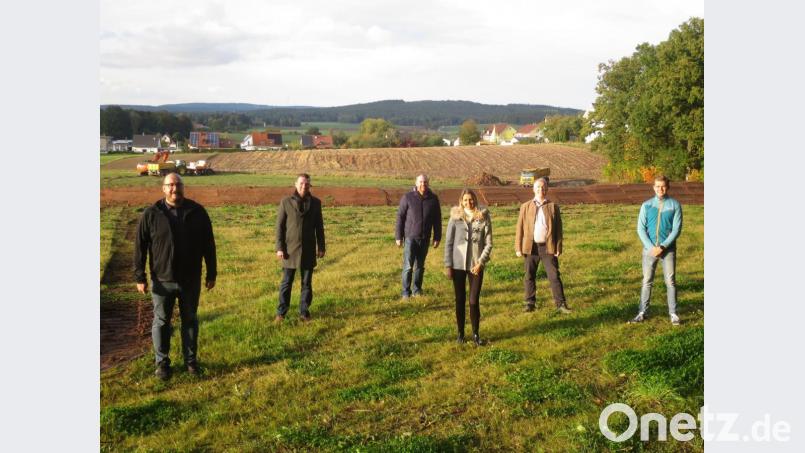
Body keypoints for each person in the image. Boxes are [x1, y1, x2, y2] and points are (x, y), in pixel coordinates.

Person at [134, 173, 217, 380]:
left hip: (190, 279)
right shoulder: (152, 214)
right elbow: (140, 246)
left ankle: (191, 362)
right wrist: (140, 277)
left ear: (183, 187)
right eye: (170, 185)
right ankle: (162, 364)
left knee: (190, 320)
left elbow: (209, 244)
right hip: (162, 280)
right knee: (161, 322)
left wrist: (211, 273)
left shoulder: (197, 212)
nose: (174, 188)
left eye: (178, 184)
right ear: (163, 188)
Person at [629, 175, 683, 325]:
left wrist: (663, 246)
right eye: (658, 186)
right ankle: (642, 312)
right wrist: (651, 247)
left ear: (668, 187)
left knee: (670, 281)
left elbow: (676, 229)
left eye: (663, 186)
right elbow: (640, 228)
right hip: (649, 250)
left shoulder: (675, 205)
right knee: (647, 281)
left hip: (668, 250)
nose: (660, 189)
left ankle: (673, 314)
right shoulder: (646, 205)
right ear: (653, 188)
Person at [514, 177, 571, 314]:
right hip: (530, 247)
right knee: (529, 275)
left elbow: (558, 229)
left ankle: (561, 304)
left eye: (544, 187)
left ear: (547, 189)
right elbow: (519, 228)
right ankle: (530, 303)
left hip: (548, 247)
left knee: (554, 276)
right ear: (534, 190)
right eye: (538, 187)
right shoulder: (525, 206)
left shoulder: (553, 206)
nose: (541, 190)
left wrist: (558, 247)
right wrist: (518, 247)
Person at [444, 189, 492, 345]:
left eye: (471, 199)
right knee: (459, 299)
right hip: (458, 266)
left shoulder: (484, 217)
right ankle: (460, 334)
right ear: (461, 201)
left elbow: (489, 243)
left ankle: (476, 334)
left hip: (476, 266)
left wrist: (481, 262)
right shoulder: (455, 218)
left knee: (473, 300)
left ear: (475, 200)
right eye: (465, 200)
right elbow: (448, 243)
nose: (468, 202)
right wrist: (448, 265)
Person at [275, 173, 325, 323]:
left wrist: (321, 247)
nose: (304, 186)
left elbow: (319, 227)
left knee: (306, 283)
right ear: (296, 184)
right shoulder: (286, 202)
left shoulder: (316, 203)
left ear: (310, 186)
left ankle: (304, 312)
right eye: (301, 183)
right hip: (289, 250)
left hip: (308, 249)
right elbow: (279, 227)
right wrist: (279, 247)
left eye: (307, 184)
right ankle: (281, 313)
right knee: (286, 283)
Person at [395, 174, 442, 300]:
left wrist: (437, 237)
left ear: (428, 183)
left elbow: (437, 219)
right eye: (421, 182)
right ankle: (406, 292)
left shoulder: (433, 199)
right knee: (408, 266)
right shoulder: (408, 197)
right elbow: (400, 217)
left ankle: (417, 290)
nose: (423, 184)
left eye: (425, 182)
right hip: (410, 238)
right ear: (416, 183)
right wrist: (398, 236)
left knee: (420, 266)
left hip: (425, 238)